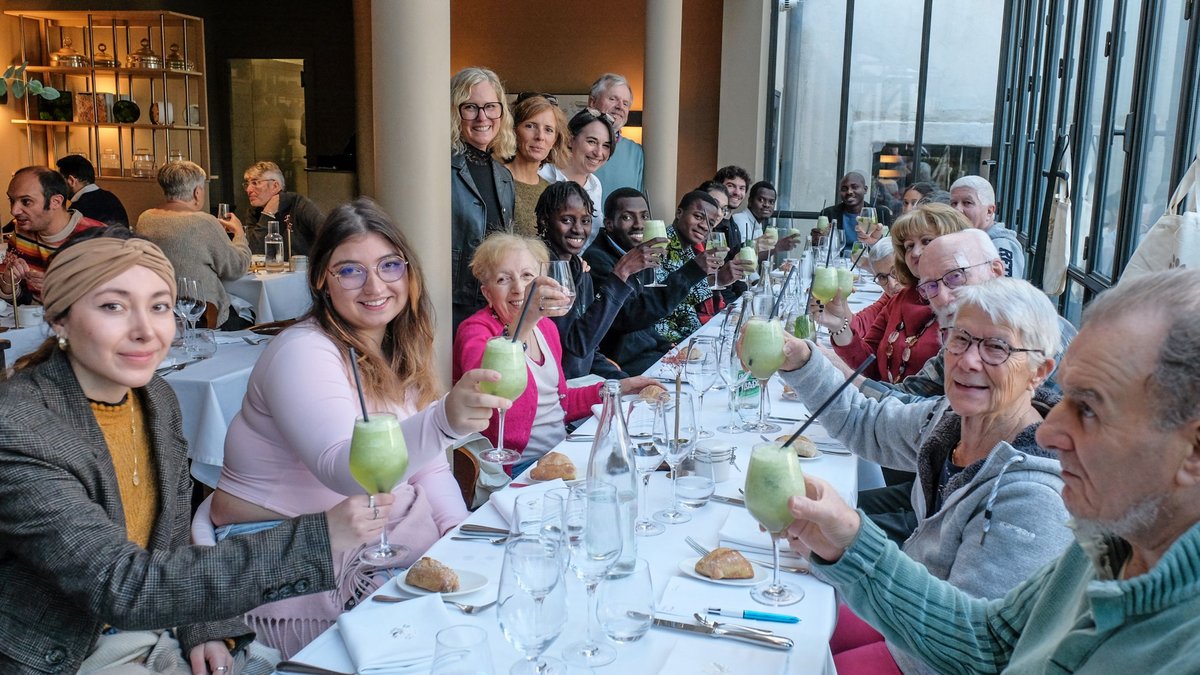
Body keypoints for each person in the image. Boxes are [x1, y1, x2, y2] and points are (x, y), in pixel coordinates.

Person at [0, 232, 390, 674]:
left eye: (159, 306)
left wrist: (203, 626)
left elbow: (168, 536)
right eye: (113, 306)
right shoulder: (20, 427)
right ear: (59, 319)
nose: (145, 330)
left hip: (148, 630)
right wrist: (316, 537)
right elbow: (121, 585)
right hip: (60, 649)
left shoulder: (154, 399)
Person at [783, 269, 1200, 674]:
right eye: (959, 340)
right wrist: (852, 544)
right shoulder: (1107, 544)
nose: (1049, 430)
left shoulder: (1179, 647)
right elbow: (992, 644)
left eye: (1089, 409)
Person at [209, 199, 501, 656]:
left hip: (369, 538)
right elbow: (345, 469)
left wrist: (458, 545)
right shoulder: (303, 350)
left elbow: (427, 470)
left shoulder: (394, 347)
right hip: (283, 548)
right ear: (322, 278)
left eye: (389, 265)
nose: (375, 285)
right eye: (350, 270)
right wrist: (444, 420)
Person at [776, 276, 1071, 674]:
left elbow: (972, 653)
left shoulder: (1034, 497)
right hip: (911, 615)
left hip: (933, 656)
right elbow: (866, 422)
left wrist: (855, 544)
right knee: (792, 630)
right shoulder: (948, 421)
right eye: (961, 339)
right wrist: (802, 362)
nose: (968, 360)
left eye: (997, 347)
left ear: (1040, 371)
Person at [454, 233, 653, 472]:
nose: (518, 289)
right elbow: (493, 398)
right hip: (515, 466)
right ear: (487, 293)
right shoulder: (476, 330)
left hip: (561, 452)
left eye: (527, 276)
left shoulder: (546, 326)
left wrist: (616, 389)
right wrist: (525, 320)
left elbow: (559, 402)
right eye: (503, 279)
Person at [860, 229, 1077, 404]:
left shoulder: (1034, 336)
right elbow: (912, 399)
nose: (944, 297)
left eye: (955, 276)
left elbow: (938, 420)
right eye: (931, 286)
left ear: (996, 270)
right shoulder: (965, 335)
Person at [819, 204, 969, 384]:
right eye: (909, 245)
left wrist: (835, 366)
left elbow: (927, 397)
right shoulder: (901, 298)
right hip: (883, 405)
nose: (915, 252)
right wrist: (838, 327)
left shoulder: (968, 306)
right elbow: (869, 364)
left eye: (927, 241)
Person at [535, 181, 657, 379]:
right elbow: (575, 345)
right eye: (567, 220)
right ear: (544, 220)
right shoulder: (542, 271)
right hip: (555, 388)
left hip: (581, 380)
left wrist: (623, 380)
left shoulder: (580, 269)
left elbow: (589, 349)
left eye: (585, 221)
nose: (578, 229)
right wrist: (620, 276)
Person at [583, 188, 689, 376]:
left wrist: (664, 345)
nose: (639, 225)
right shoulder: (597, 259)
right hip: (621, 364)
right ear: (609, 224)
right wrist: (693, 272)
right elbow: (628, 319)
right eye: (627, 217)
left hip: (647, 353)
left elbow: (645, 322)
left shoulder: (641, 251)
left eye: (644, 216)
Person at [136, 161, 252, 330]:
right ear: (197, 193)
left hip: (159, 307)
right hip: (202, 314)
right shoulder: (203, 222)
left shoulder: (145, 218)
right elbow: (236, 268)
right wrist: (240, 235)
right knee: (251, 313)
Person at [451, 66, 517, 331]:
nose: (482, 117)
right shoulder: (439, 169)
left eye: (491, 106)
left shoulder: (503, 175)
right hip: (452, 305)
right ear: (455, 112)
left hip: (490, 306)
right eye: (470, 107)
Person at [1, 166, 105, 304]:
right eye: (12, 200)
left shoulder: (98, 237)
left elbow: (114, 299)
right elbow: (17, 297)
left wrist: (60, 290)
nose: (14, 211)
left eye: (26, 201)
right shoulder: (20, 232)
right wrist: (8, 282)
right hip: (33, 320)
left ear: (55, 201)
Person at [655, 191, 748, 341]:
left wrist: (719, 280)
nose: (705, 226)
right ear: (679, 213)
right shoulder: (660, 247)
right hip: (666, 340)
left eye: (711, 223)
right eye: (698, 217)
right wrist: (717, 280)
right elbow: (664, 301)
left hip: (692, 334)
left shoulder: (688, 250)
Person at [539, 108, 614, 250]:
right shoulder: (542, 174)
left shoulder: (595, 184)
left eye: (606, 145)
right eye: (592, 141)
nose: (599, 153)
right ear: (570, 139)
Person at [814, 237, 904, 339]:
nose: (892, 284)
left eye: (895, 273)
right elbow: (860, 327)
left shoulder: (922, 302)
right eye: (882, 277)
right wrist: (841, 300)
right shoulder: (890, 297)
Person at [505, 93, 569, 237]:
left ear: (555, 140)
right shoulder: (495, 179)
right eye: (530, 126)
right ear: (513, 130)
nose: (540, 136)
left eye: (548, 130)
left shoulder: (550, 190)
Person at [242, 160, 324, 260]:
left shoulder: (299, 204)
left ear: (275, 186)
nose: (249, 190)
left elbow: (329, 233)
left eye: (255, 183)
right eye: (247, 184)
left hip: (302, 272)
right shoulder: (254, 212)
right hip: (269, 273)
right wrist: (267, 214)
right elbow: (253, 252)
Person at [950, 175, 1025, 279]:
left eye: (967, 203)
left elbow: (1005, 292)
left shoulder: (1001, 245)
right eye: (953, 203)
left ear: (989, 211)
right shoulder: (961, 240)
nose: (957, 209)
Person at [588, 73, 644, 202]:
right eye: (613, 99)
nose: (620, 106)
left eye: (625, 103)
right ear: (592, 102)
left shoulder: (636, 152)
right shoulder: (570, 144)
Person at [820, 172, 896, 254]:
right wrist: (818, 239)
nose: (849, 192)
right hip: (838, 262)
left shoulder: (880, 213)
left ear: (865, 190)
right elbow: (821, 245)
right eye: (844, 189)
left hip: (869, 262)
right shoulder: (828, 213)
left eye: (854, 187)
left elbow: (888, 246)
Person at [56, 154, 129, 227]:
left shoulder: (77, 211)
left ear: (71, 180)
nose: (58, 186)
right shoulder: (111, 197)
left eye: (59, 181)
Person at [732, 180, 776, 245]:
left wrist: (777, 248)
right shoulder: (740, 220)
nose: (767, 205)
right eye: (761, 200)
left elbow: (757, 254)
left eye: (771, 202)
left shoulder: (757, 223)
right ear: (750, 201)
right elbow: (739, 252)